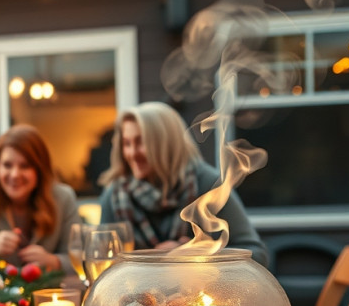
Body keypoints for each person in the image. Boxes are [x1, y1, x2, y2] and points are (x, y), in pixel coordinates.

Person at [97, 101, 269, 266]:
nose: (132, 153)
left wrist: (198, 256)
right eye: (127, 143)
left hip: (198, 294)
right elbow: (102, 260)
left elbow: (257, 254)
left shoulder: (209, 184)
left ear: (167, 144)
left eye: (141, 142)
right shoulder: (114, 196)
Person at [0, 124, 80, 271]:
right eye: (7, 165)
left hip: (47, 292)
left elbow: (82, 259)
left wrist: (53, 261)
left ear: (40, 169)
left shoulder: (63, 198)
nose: (14, 174)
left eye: (25, 166)